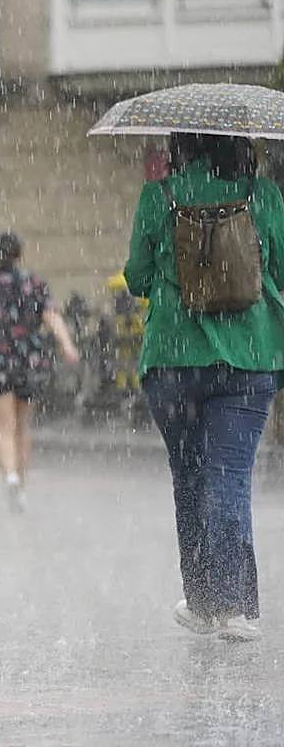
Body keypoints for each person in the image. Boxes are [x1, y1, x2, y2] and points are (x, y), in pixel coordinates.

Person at [125, 133, 284, 643]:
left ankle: (204, 600)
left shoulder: (160, 196)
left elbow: (135, 277)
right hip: (247, 356)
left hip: (173, 357)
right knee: (229, 476)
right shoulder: (264, 197)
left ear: (181, 146)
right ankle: (237, 606)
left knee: (189, 476)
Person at [0, 233, 79, 513]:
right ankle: (20, 484)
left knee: (1, 428)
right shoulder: (34, 283)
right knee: (22, 427)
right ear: (19, 254)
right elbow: (51, 316)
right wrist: (67, 345)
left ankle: (9, 477)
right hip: (27, 360)